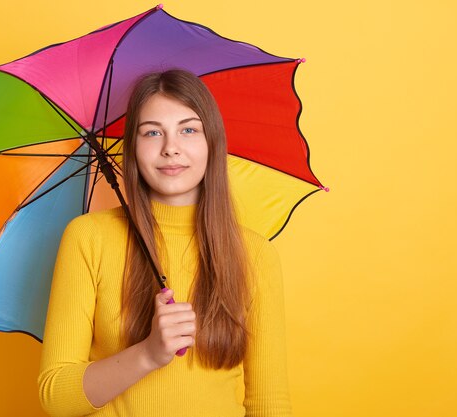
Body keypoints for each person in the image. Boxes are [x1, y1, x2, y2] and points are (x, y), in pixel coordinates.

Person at [38, 69, 294, 417]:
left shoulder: (256, 255)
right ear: (133, 147)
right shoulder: (88, 237)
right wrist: (148, 354)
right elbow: (55, 398)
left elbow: (270, 405)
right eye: (152, 132)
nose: (170, 148)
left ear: (212, 143)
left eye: (188, 130)